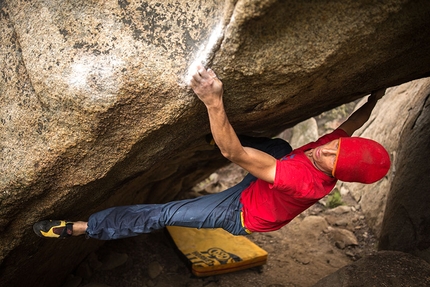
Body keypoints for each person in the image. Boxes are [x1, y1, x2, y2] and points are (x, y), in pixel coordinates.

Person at [33, 65, 390, 239]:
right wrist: (374, 99)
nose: (324, 149)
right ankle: (213, 140)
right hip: (265, 184)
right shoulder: (332, 149)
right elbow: (351, 125)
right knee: (281, 147)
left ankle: (83, 228)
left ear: (337, 173)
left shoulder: (303, 179)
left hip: (241, 212)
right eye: (334, 144)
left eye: (332, 156)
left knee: (163, 213)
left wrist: (212, 101)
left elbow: (235, 153)